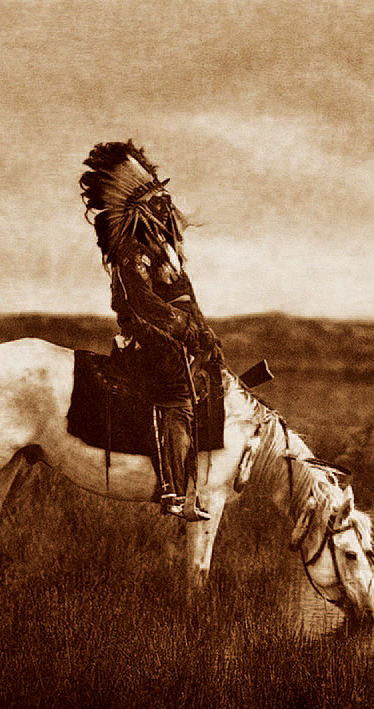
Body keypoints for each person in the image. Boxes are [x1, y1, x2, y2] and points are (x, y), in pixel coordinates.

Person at [80, 141, 222, 521]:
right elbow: (140, 304)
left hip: (175, 335)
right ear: (142, 210)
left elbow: (187, 298)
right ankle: (173, 490)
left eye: (165, 201)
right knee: (176, 391)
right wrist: (185, 332)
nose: (167, 208)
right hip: (145, 338)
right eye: (158, 203)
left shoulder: (165, 250)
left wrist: (206, 335)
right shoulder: (130, 252)